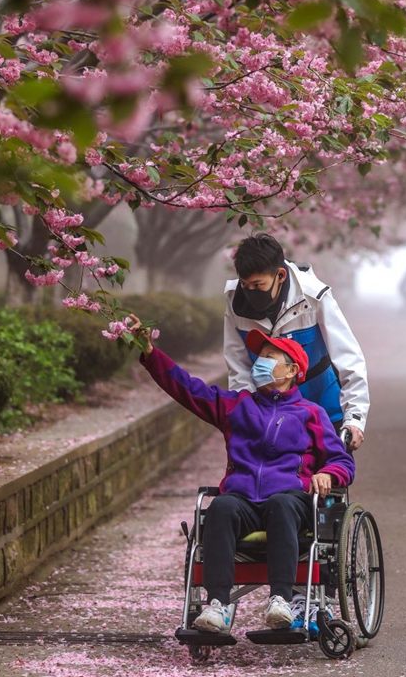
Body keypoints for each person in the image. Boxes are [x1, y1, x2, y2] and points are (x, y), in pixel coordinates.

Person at [127, 315, 355, 635]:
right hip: (243, 498)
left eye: (269, 358)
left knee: (282, 504)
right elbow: (187, 389)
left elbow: (342, 461)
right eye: (259, 357)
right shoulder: (237, 406)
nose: (260, 363)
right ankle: (218, 605)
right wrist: (150, 354)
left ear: (292, 371)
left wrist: (329, 474)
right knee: (220, 507)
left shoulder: (311, 414)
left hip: (290, 499)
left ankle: (281, 600)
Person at [223, 233, 369, 451]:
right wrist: (248, 414)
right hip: (269, 415)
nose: (250, 292)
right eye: (245, 285)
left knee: (328, 477)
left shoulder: (313, 296)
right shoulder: (235, 301)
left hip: (324, 408)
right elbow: (238, 366)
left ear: (280, 275)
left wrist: (354, 419)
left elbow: (348, 358)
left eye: (257, 285)